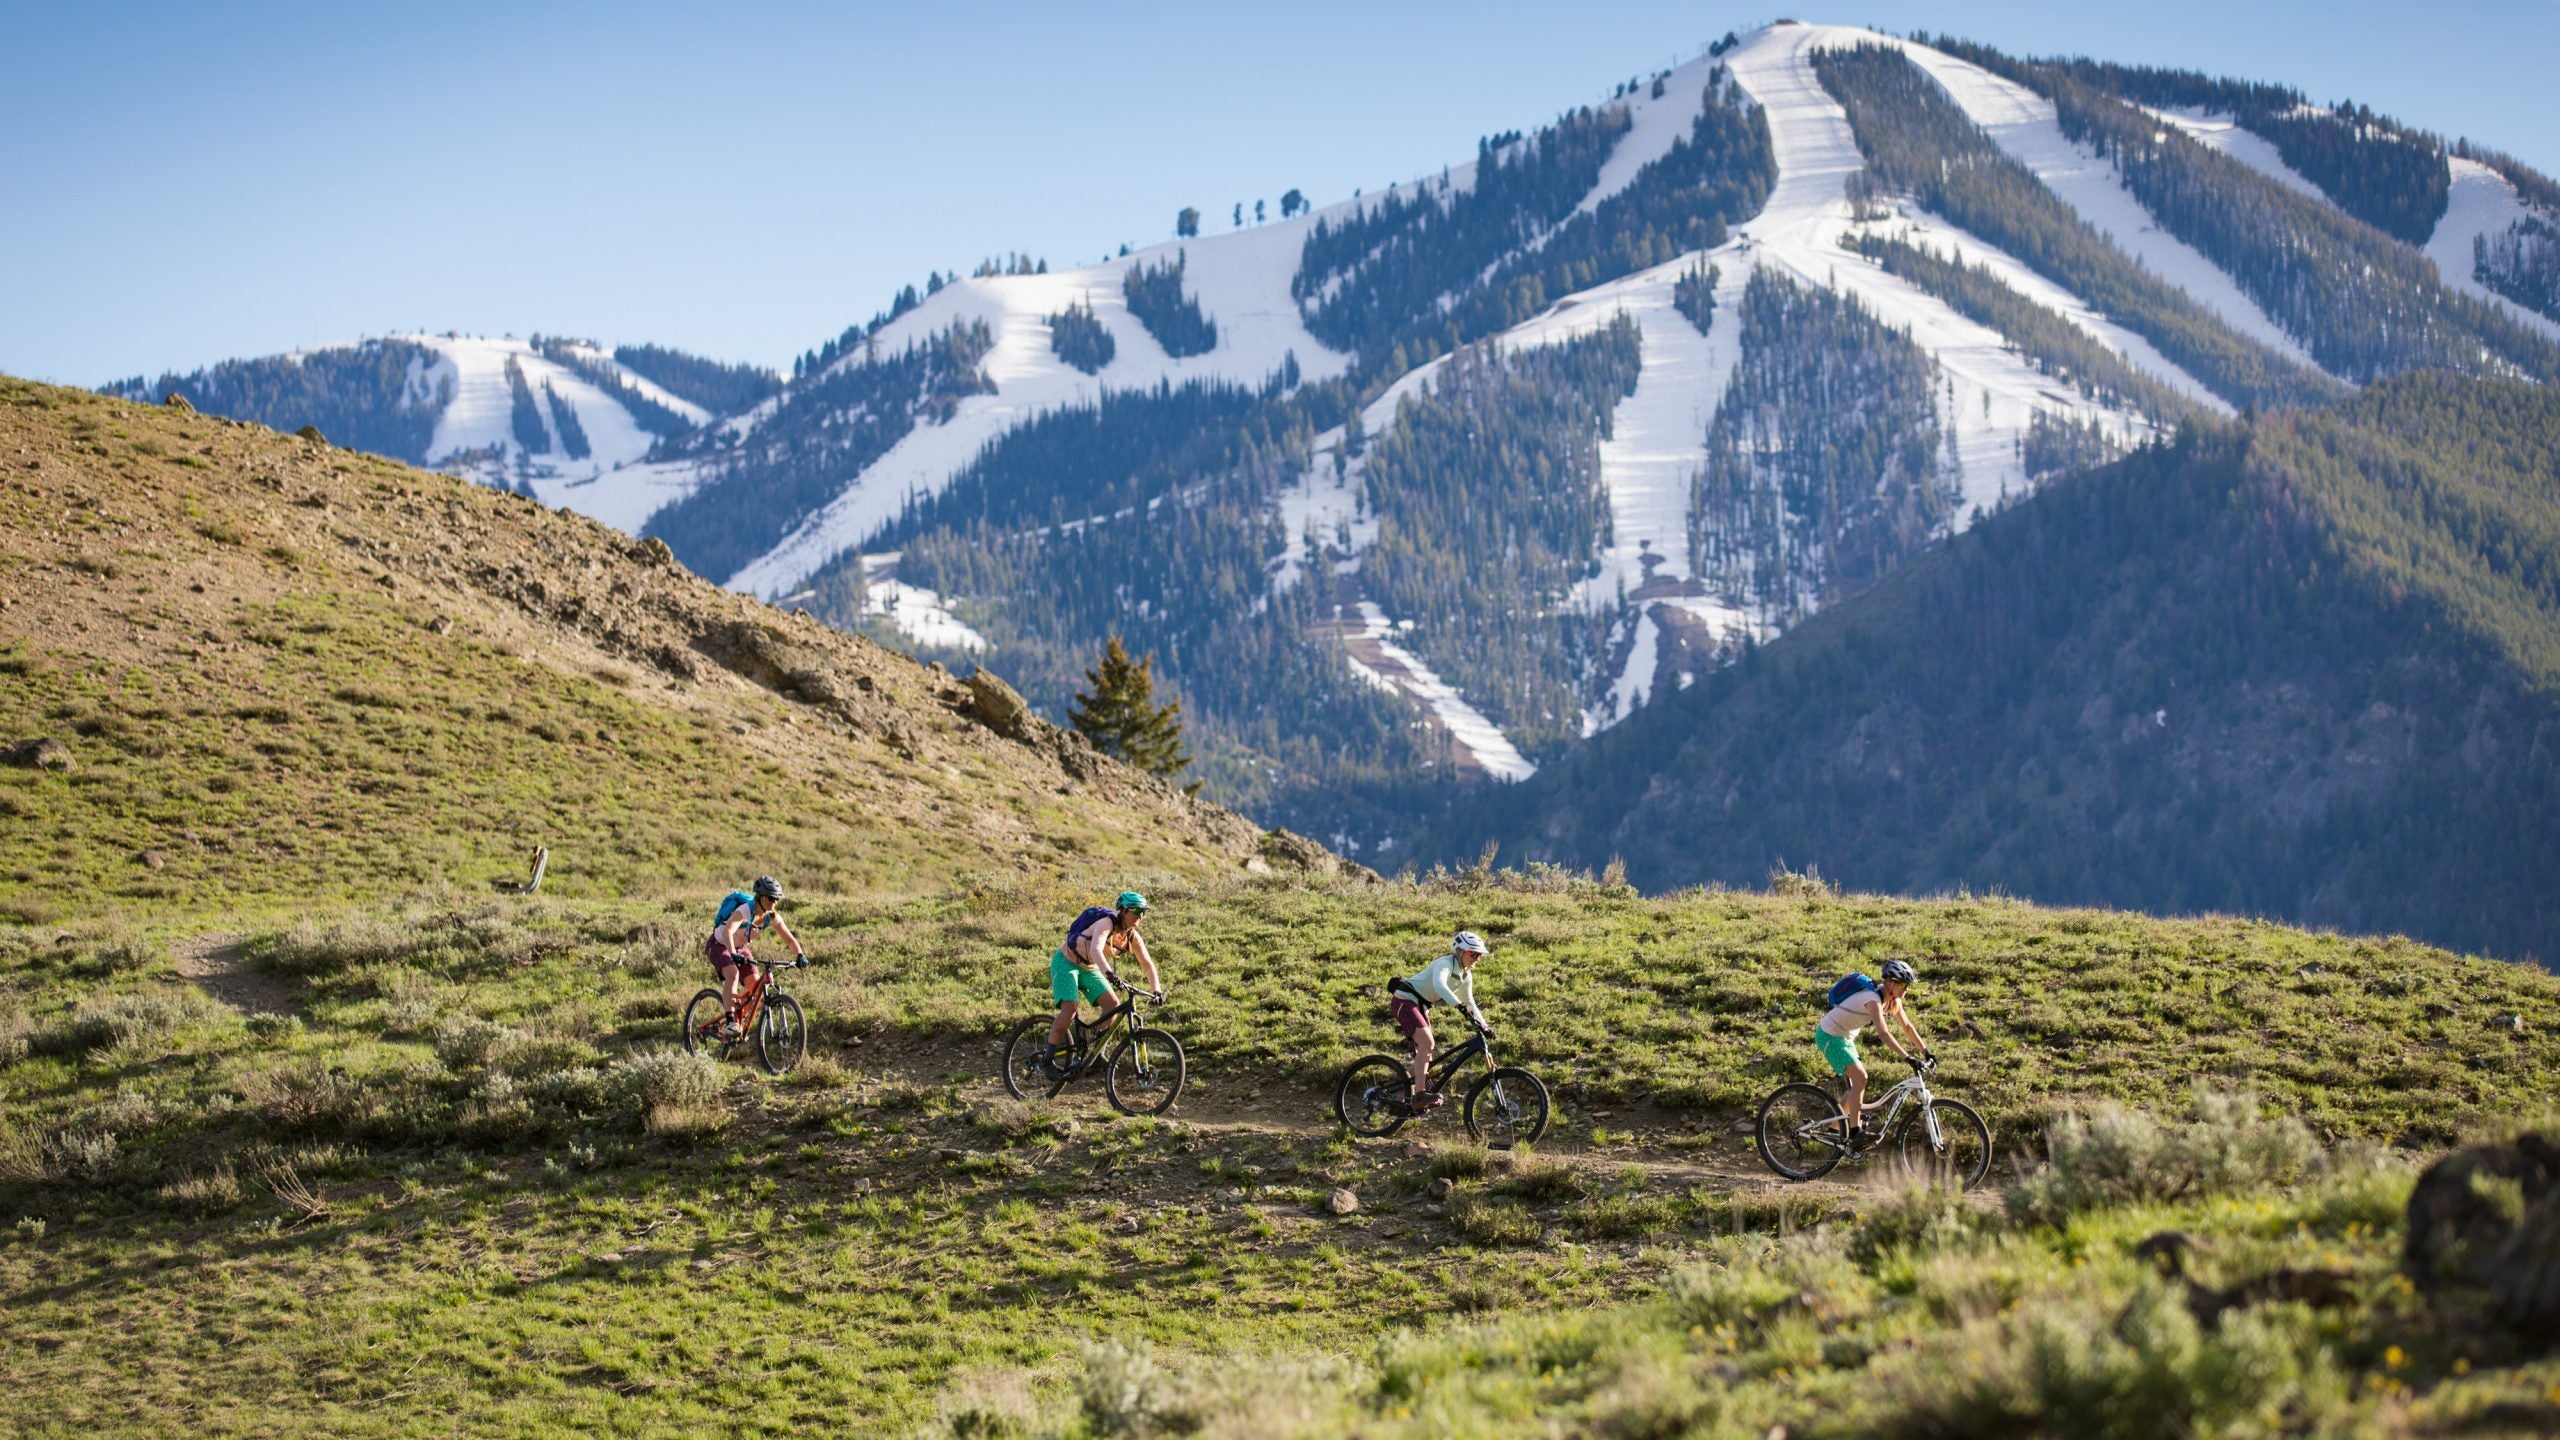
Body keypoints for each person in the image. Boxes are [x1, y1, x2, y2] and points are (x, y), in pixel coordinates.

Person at [1817, 957, 1931, 1148]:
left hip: (1845, 1038)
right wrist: (1908, 1057)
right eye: (1902, 985)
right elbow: (1884, 1034)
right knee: (1861, 1078)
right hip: (1829, 1035)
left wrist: (1926, 1051)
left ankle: (1835, 1130)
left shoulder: (1892, 1001)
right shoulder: (1872, 1000)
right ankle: (1855, 1132)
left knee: (1856, 1086)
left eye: (1907, 986)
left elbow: (1907, 1026)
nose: (1906, 990)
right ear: (1890, 983)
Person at [1045, 890, 1163, 1075]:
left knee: (1112, 1004)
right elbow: (1096, 950)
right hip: (1066, 962)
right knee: (1070, 1008)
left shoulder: (1132, 936)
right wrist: (1108, 973)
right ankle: (1047, 1060)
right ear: (1124, 910)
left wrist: (1157, 991)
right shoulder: (1106, 923)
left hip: (1089, 967)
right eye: (1136, 910)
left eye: (1144, 911)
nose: (1140, 915)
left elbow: (1147, 965)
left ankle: (1096, 1054)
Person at [1387, 931, 1492, 1110]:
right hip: (1404, 1000)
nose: (1477, 958)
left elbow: (1470, 1002)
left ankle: (1400, 1096)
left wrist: (1484, 1026)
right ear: (1460, 951)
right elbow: (1439, 985)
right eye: (1473, 954)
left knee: (1427, 1054)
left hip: (1421, 1006)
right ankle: (1420, 1093)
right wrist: (1457, 1005)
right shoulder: (1445, 963)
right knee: (1427, 1043)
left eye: (1479, 955)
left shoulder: (1465, 976)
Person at [707, 876, 804, 1040]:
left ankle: (739, 1024)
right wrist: (732, 953)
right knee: (733, 974)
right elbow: (728, 931)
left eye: (777, 899)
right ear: (761, 897)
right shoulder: (745, 910)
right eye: (771, 898)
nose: (775, 902)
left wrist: (800, 954)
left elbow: (789, 940)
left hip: (740, 948)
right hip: (719, 944)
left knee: (756, 986)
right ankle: (731, 1022)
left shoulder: (772, 917)